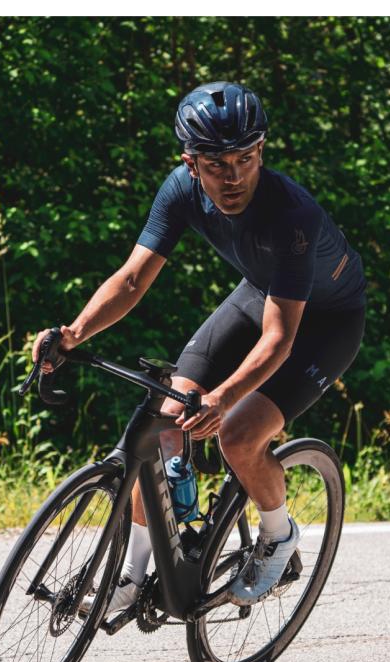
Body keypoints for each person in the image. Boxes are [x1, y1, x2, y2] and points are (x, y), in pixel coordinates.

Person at [33, 81, 366, 614]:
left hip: (326, 325)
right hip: (259, 294)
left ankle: (279, 535)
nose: (233, 177)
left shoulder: (291, 216)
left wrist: (224, 397)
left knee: (237, 434)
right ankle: (133, 575)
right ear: (189, 162)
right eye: (216, 164)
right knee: (165, 420)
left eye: (245, 159)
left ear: (262, 151)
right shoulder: (180, 190)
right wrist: (73, 333)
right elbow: (133, 279)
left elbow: (280, 338)